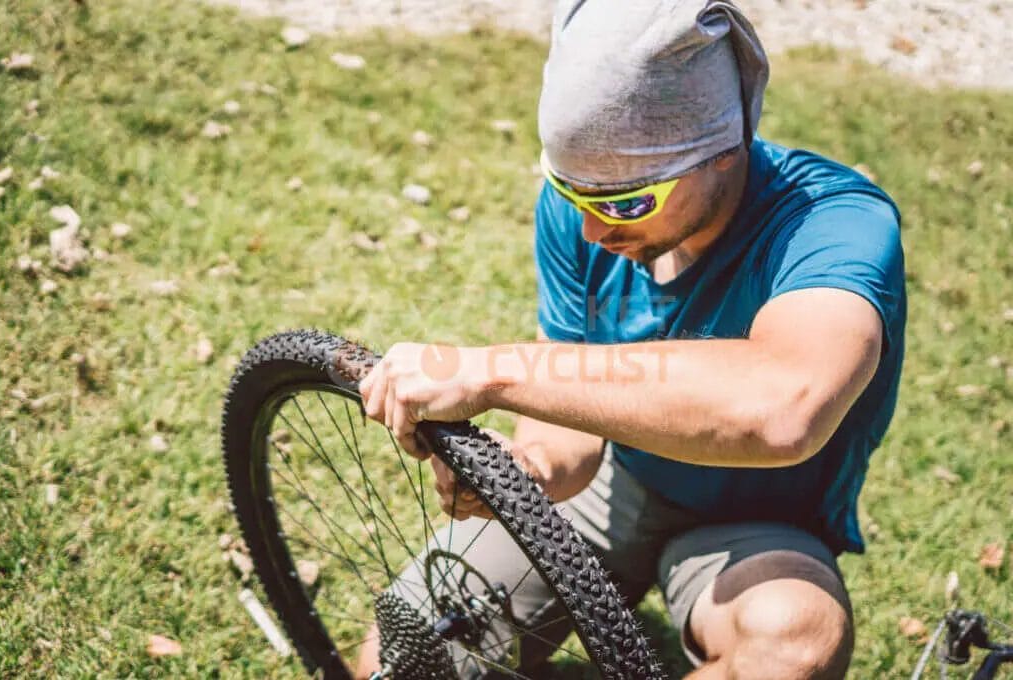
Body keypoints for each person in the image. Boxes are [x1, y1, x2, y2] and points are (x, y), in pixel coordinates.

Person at [356, 0, 905, 677]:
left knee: (794, 639)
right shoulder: (583, 210)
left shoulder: (834, 223)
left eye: (624, 202)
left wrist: (494, 371)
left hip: (757, 516)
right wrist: (529, 471)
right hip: (617, 478)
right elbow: (570, 438)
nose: (593, 230)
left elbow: (784, 405)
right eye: (572, 190)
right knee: (403, 653)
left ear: (723, 153)